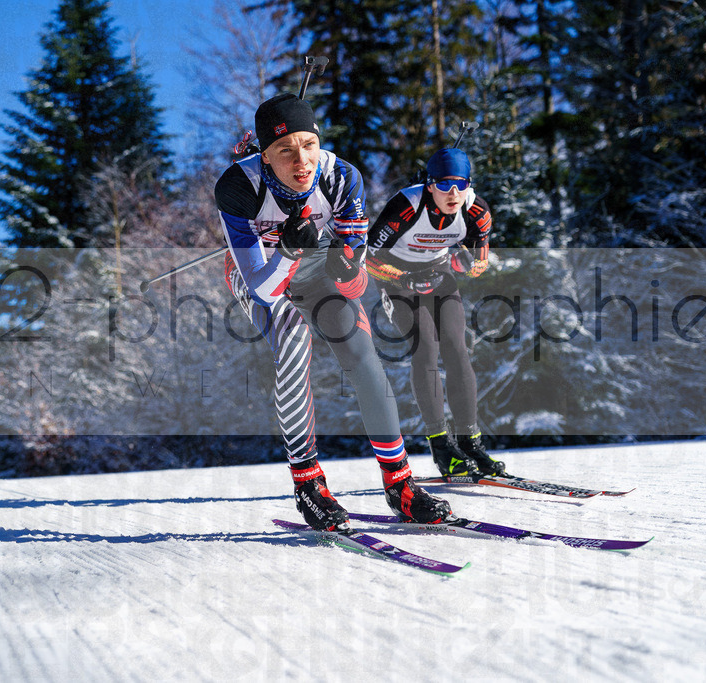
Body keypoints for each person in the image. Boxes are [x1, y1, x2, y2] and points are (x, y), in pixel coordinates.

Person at [215, 93, 453, 531]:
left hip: (316, 268)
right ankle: (308, 484)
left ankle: (399, 483)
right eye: (284, 150)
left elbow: (357, 282)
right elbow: (263, 291)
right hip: (262, 276)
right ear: (264, 156)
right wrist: (286, 250)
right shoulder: (238, 187)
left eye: (308, 144)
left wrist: (346, 268)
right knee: (292, 338)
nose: (300, 160)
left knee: (362, 352)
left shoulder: (342, 178)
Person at [365, 147, 506, 479]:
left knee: (458, 349)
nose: (453, 194)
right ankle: (441, 445)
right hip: (397, 280)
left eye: (461, 184)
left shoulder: (477, 211)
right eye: (445, 185)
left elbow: (480, 261)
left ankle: (470, 443)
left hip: (439, 275)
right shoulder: (406, 207)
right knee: (425, 346)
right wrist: (404, 277)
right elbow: (370, 260)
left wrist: (468, 265)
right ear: (430, 185)